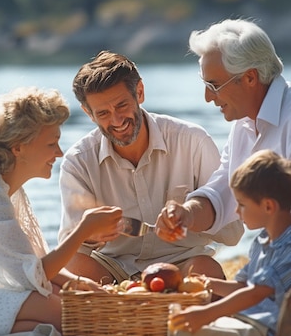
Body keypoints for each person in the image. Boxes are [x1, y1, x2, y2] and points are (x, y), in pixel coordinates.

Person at [0, 87, 122, 336]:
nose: (59, 153)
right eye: (51, 143)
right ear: (18, 148)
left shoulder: (2, 187)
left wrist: (80, 282)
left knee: (59, 310)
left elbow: (31, 260)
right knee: (63, 316)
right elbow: (32, 273)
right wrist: (82, 231)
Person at [58, 50, 242, 285]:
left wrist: (190, 217)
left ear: (140, 92)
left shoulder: (193, 141)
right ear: (88, 113)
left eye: (122, 105)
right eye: (103, 113)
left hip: (183, 261)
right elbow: (70, 246)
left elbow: (233, 231)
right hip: (112, 266)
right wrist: (91, 235)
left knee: (207, 270)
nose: (116, 121)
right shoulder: (78, 161)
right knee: (75, 268)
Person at [157, 18, 291, 241]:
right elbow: (224, 193)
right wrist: (186, 214)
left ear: (250, 77)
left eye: (214, 85)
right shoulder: (244, 122)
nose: (208, 97)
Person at [168, 150, 291, 336]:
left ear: (268, 206)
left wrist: (207, 314)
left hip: (269, 334)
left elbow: (255, 294)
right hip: (250, 323)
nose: (236, 211)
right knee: (177, 328)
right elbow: (244, 286)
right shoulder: (263, 241)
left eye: (242, 204)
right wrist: (208, 284)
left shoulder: (287, 245)